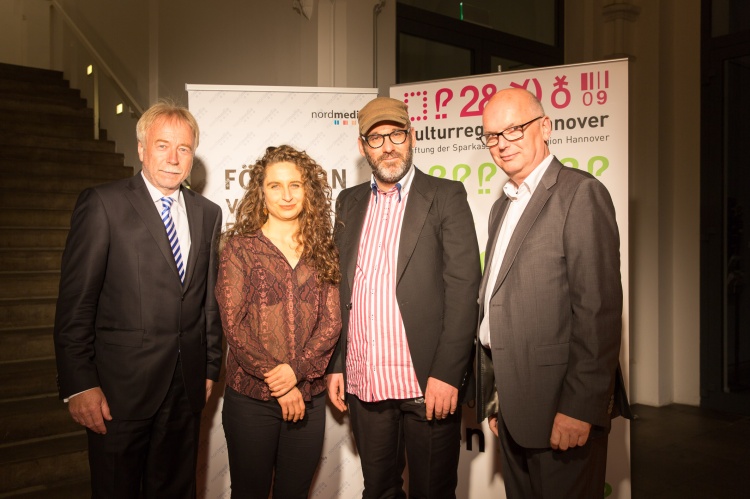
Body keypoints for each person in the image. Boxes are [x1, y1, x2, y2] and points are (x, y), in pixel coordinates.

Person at [53, 100, 223, 498]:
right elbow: (76, 305)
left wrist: (211, 366)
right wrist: (79, 384)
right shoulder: (103, 204)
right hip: (118, 394)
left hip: (185, 388)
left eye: (183, 148)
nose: (173, 158)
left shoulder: (208, 213)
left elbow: (207, 302)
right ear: (141, 148)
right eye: (162, 145)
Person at [475, 87, 631, 498]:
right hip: (514, 407)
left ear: (545, 127)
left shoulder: (579, 194)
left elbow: (598, 312)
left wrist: (580, 409)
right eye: (492, 135)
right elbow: (497, 306)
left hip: (562, 410)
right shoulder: (502, 207)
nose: (502, 143)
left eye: (514, 129)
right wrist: (496, 399)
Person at [326, 97, 481, 498]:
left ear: (411, 137)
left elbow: (465, 290)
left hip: (426, 381)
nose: (388, 145)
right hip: (366, 380)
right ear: (362, 147)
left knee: (432, 491)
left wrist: (448, 373)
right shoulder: (348, 201)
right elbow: (341, 290)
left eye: (396, 134)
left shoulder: (445, 196)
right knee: (378, 489)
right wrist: (338, 363)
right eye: (376, 138)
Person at [215, 145, 342, 499]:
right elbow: (234, 326)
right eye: (275, 186)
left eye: (296, 185)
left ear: (308, 190)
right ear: (261, 191)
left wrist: (297, 373)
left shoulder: (323, 249)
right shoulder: (239, 248)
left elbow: (331, 322)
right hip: (251, 402)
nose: (286, 195)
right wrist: (283, 384)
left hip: (310, 399)